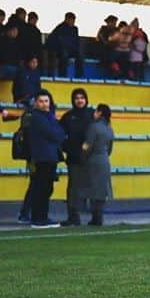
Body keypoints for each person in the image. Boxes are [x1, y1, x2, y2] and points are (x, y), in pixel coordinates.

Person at [24, 90, 67, 228]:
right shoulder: (37, 117)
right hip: (42, 157)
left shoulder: (48, 116)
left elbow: (57, 132)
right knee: (41, 188)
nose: (44, 104)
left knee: (46, 188)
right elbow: (55, 134)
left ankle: (42, 216)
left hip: (49, 156)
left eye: (46, 101)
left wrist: (59, 133)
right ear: (36, 103)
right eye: (41, 101)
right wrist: (60, 134)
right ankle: (38, 218)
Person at [58, 88, 95, 226]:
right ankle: (73, 216)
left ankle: (96, 217)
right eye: (76, 98)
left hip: (91, 158)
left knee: (93, 187)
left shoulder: (92, 115)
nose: (79, 100)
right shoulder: (67, 117)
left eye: (82, 98)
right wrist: (69, 149)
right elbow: (59, 136)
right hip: (74, 158)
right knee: (73, 188)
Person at [81, 104, 114, 225]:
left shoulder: (93, 127)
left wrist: (82, 156)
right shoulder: (109, 129)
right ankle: (98, 216)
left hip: (93, 160)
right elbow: (110, 149)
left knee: (92, 188)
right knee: (101, 189)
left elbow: (87, 146)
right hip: (105, 160)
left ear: (99, 113)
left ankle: (95, 216)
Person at [45, 12, 83, 78]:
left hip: (71, 49)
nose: (73, 22)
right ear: (66, 19)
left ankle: (79, 76)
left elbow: (76, 41)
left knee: (80, 56)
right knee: (64, 55)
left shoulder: (75, 29)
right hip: (60, 49)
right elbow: (60, 42)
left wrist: (76, 49)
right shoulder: (60, 28)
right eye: (71, 20)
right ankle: (62, 76)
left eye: (74, 20)